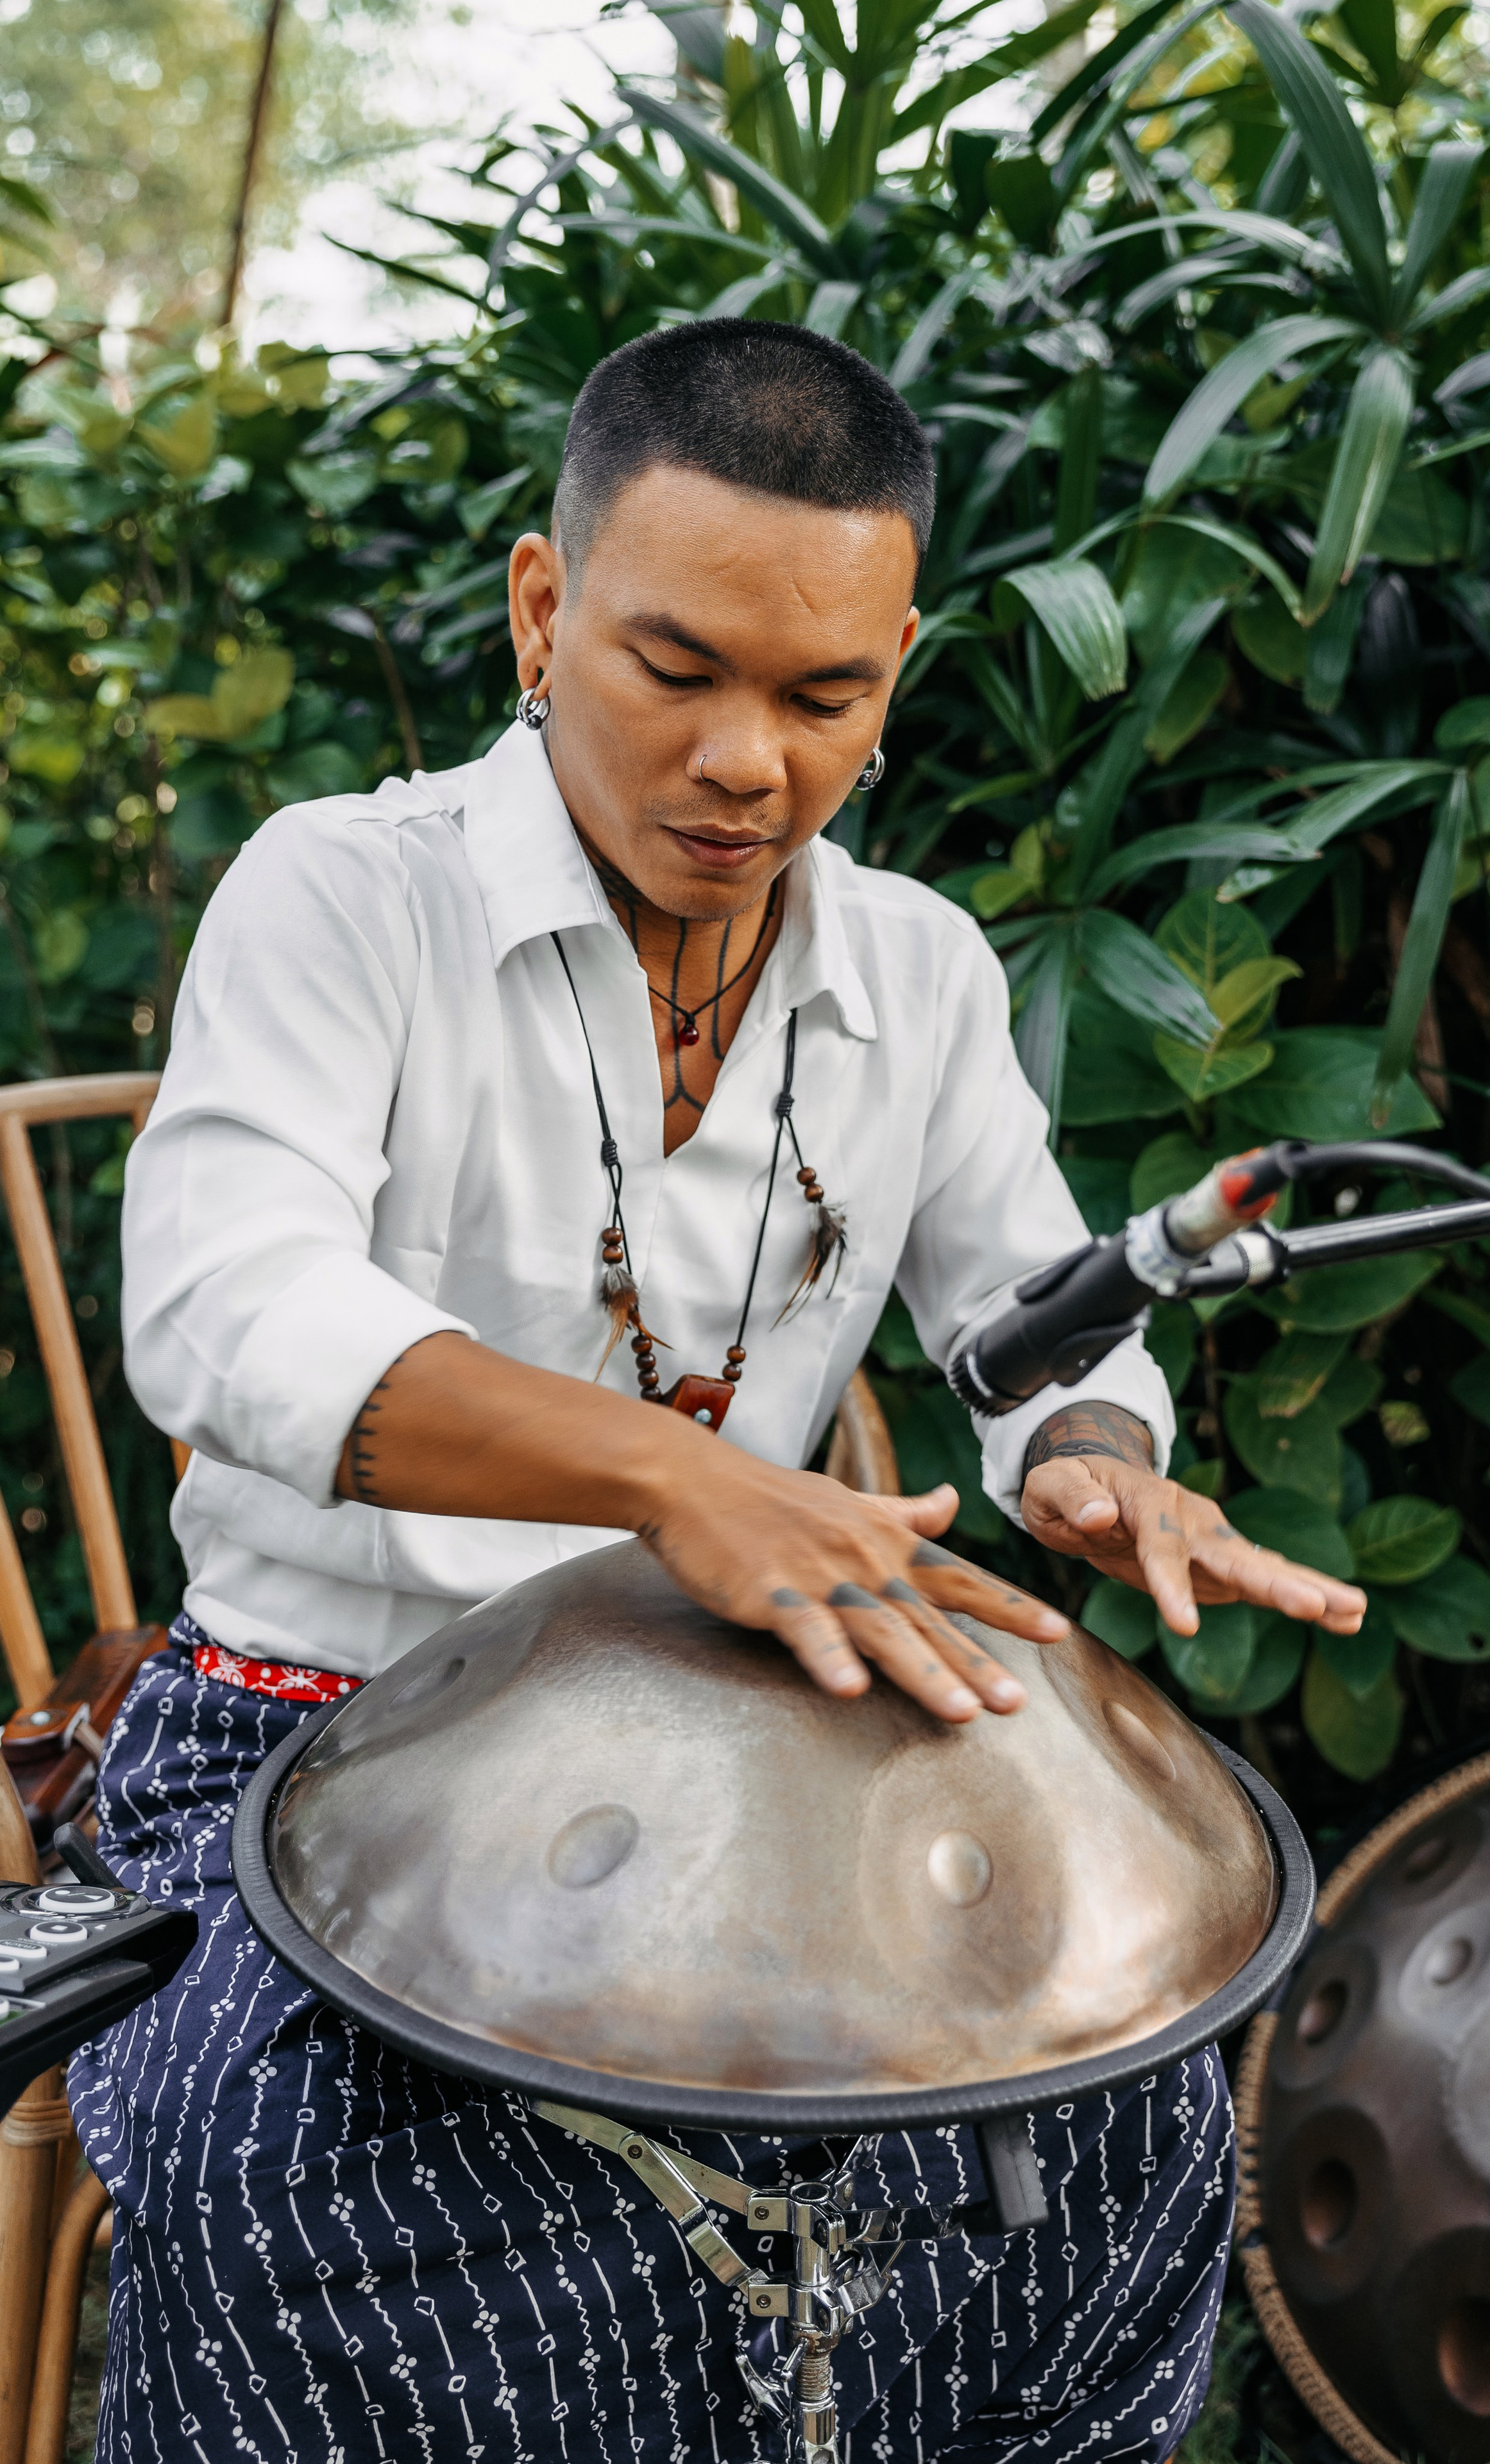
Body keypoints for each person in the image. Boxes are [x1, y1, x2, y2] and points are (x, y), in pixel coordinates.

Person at [73, 320, 1364, 2464]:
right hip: (311, 1737)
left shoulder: (919, 973)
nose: (748, 760)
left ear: (898, 669)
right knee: (282, 2163)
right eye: (677, 671)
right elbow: (223, 1304)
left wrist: (1096, 1460)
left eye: (822, 695)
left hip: (752, 1765)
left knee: (1114, 2110)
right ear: (542, 605)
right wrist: (673, 1476)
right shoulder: (345, 893)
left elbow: (1034, 1324)